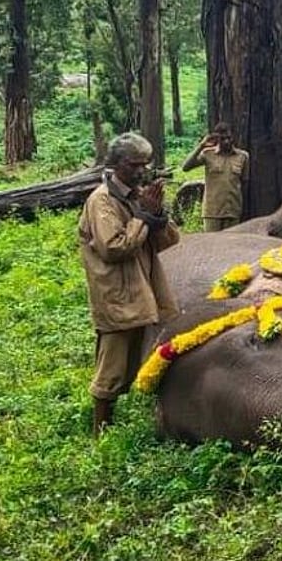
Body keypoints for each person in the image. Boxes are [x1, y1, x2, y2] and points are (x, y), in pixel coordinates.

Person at [79, 133, 180, 436]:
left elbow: (169, 242)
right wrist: (143, 217)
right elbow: (114, 247)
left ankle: (131, 422)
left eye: (144, 165)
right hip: (116, 293)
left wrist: (157, 215)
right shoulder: (102, 201)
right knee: (111, 366)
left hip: (141, 288)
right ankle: (100, 434)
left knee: (136, 357)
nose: (141, 171)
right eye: (134, 164)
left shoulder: (135, 195)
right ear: (116, 163)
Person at [181, 122, 249, 231]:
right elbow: (185, 167)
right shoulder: (208, 154)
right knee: (211, 244)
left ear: (233, 137)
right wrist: (201, 146)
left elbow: (245, 183)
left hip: (233, 211)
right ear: (217, 139)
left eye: (229, 138)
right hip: (212, 212)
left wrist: (242, 208)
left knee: (231, 245)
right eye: (222, 139)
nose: (226, 141)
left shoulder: (243, 156)